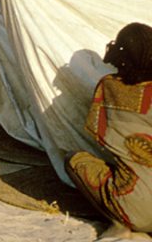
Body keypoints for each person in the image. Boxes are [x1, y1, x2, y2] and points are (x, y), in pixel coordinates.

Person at [65, 22, 152, 235]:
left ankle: (119, 222)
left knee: (72, 159)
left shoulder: (109, 86)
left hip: (137, 211)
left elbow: (99, 135)